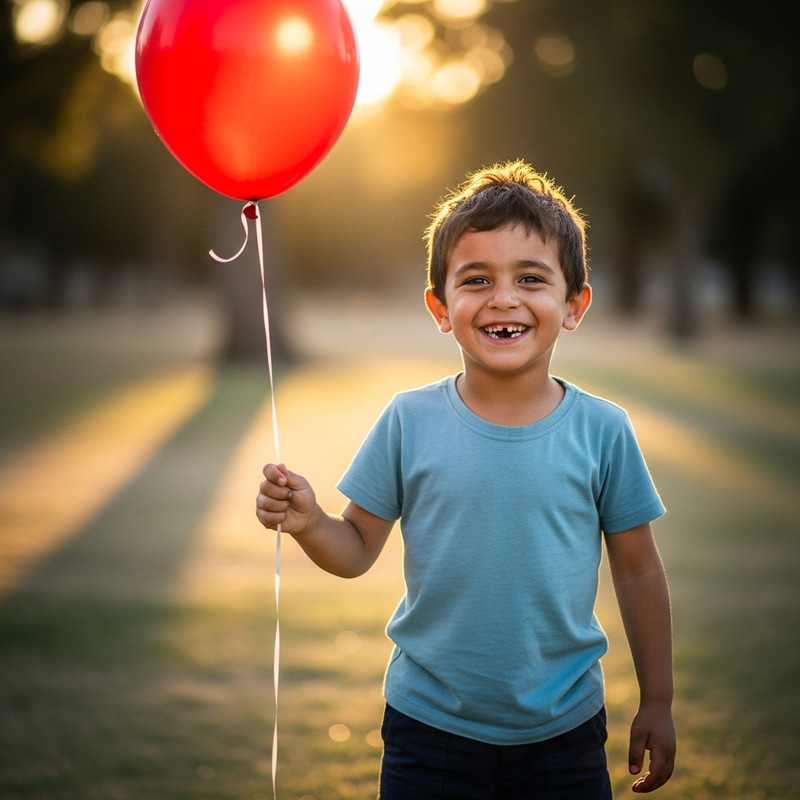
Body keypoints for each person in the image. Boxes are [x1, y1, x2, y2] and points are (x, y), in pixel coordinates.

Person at [256, 160, 675, 798]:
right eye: (476, 279)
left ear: (574, 305)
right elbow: (356, 548)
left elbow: (639, 568)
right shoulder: (409, 420)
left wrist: (659, 700)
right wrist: (312, 522)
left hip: (565, 733)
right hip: (430, 733)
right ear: (440, 307)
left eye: (531, 279)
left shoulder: (603, 430)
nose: (503, 298)